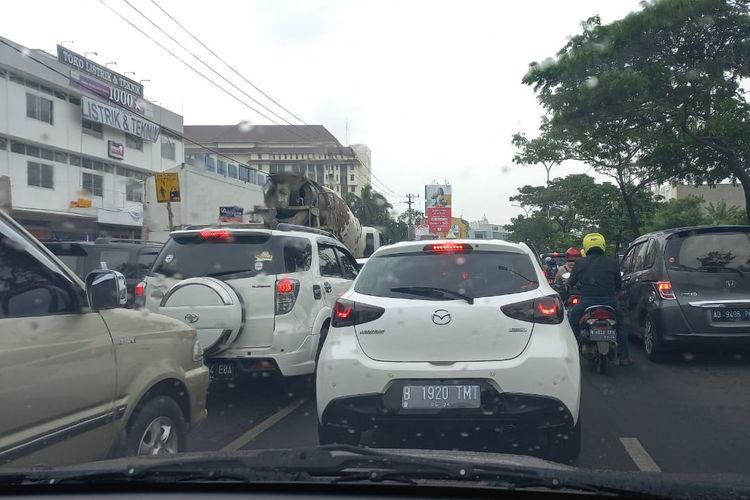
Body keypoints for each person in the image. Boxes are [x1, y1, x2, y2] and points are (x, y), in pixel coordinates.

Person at [567, 233, 633, 366]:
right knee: (621, 324)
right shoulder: (612, 262)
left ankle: (571, 354)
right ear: (603, 245)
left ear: (586, 247)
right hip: (610, 301)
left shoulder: (580, 263)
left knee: (572, 321)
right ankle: (625, 356)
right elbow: (618, 285)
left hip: (586, 302)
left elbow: (571, 283)